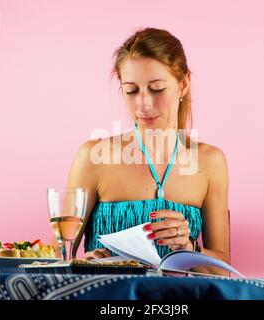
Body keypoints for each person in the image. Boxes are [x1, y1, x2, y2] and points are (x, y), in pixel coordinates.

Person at [67, 27, 230, 276]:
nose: (143, 103)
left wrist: (189, 247)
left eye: (156, 88)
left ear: (183, 84)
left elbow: (221, 273)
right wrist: (86, 265)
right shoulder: (92, 157)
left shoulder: (211, 163)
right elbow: (60, 260)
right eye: (132, 91)